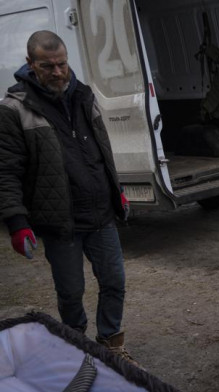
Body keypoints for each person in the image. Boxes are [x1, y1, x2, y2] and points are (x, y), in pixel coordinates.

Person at [0, 31, 137, 364]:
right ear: (31, 64)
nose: (58, 72)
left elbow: (101, 149)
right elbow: (6, 170)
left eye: (62, 64)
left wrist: (117, 191)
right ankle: (78, 351)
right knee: (71, 292)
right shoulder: (14, 109)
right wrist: (17, 222)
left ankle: (110, 344)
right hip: (60, 221)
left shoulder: (83, 95)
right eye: (48, 66)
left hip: (101, 212)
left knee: (115, 281)